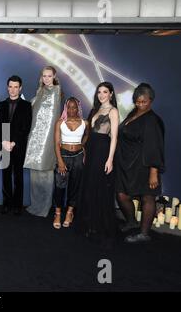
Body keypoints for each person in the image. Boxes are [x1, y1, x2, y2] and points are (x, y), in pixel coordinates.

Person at [116, 83, 165, 243]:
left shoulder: (152, 120)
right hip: (128, 163)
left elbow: (155, 147)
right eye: (137, 101)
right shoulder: (133, 113)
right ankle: (131, 222)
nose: (140, 104)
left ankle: (144, 233)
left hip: (144, 164)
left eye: (144, 102)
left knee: (147, 197)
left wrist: (153, 171)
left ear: (151, 100)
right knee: (121, 194)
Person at [75, 82, 119, 248]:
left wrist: (110, 159)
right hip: (92, 151)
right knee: (89, 188)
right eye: (99, 92)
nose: (101, 95)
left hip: (102, 152)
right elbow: (88, 135)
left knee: (99, 188)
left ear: (111, 94)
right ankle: (90, 225)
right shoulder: (95, 110)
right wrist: (86, 153)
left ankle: (99, 227)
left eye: (105, 92)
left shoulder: (113, 111)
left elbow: (114, 137)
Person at [23, 66, 62, 217]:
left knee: (46, 173)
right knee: (35, 173)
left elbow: (54, 118)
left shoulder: (57, 92)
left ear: (54, 76)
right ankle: (35, 205)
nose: (46, 78)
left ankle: (44, 208)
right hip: (34, 138)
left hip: (48, 139)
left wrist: (51, 141)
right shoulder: (40, 91)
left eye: (49, 76)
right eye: (44, 76)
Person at [0, 75, 32, 215]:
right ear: (7, 88)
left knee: (18, 177)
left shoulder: (26, 105)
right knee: (6, 176)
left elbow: (26, 127)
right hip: (5, 146)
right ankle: (7, 204)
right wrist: (3, 142)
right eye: (10, 87)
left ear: (20, 88)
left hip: (18, 146)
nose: (13, 90)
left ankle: (17, 205)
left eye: (15, 87)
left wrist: (14, 142)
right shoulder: (2, 104)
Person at [53, 97, 88, 229]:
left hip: (78, 157)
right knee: (59, 187)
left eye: (74, 107)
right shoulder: (60, 122)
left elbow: (87, 136)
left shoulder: (85, 122)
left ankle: (69, 213)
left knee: (75, 186)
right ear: (65, 108)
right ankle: (57, 213)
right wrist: (60, 161)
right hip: (64, 156)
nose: (72, 110)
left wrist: (82, 146)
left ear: (78, 108)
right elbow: (56, 143)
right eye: (69, 107)